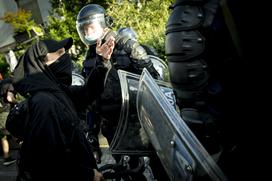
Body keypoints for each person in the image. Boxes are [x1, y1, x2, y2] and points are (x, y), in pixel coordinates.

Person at [10, 37, 113, 181]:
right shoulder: (43, 102)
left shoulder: (59, 92)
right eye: (59, 53)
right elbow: (47, 160)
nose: (65, 57)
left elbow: (88, 92)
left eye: (65, 52)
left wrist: (102, 62)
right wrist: (87, 175)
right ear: (42, 63)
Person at [76, 3, 160, 163]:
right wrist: (91, 134)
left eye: (90, 27)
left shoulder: (127, 46)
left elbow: (153, 83)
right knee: (127, 170)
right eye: (84, 29)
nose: (87, 32)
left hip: (137, 121)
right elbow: (90, 98)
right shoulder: (89, 57)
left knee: (156, 165)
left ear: (103, 23)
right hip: (110, 126)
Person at [0, 77, 17, 166]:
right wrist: (17, 102)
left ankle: (7, 156)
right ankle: (7, 158)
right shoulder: (11, 83)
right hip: (5, 112)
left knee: (4, 135)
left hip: (1, 110)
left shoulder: (2, 82)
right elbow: (9, 98)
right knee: (7, 134)